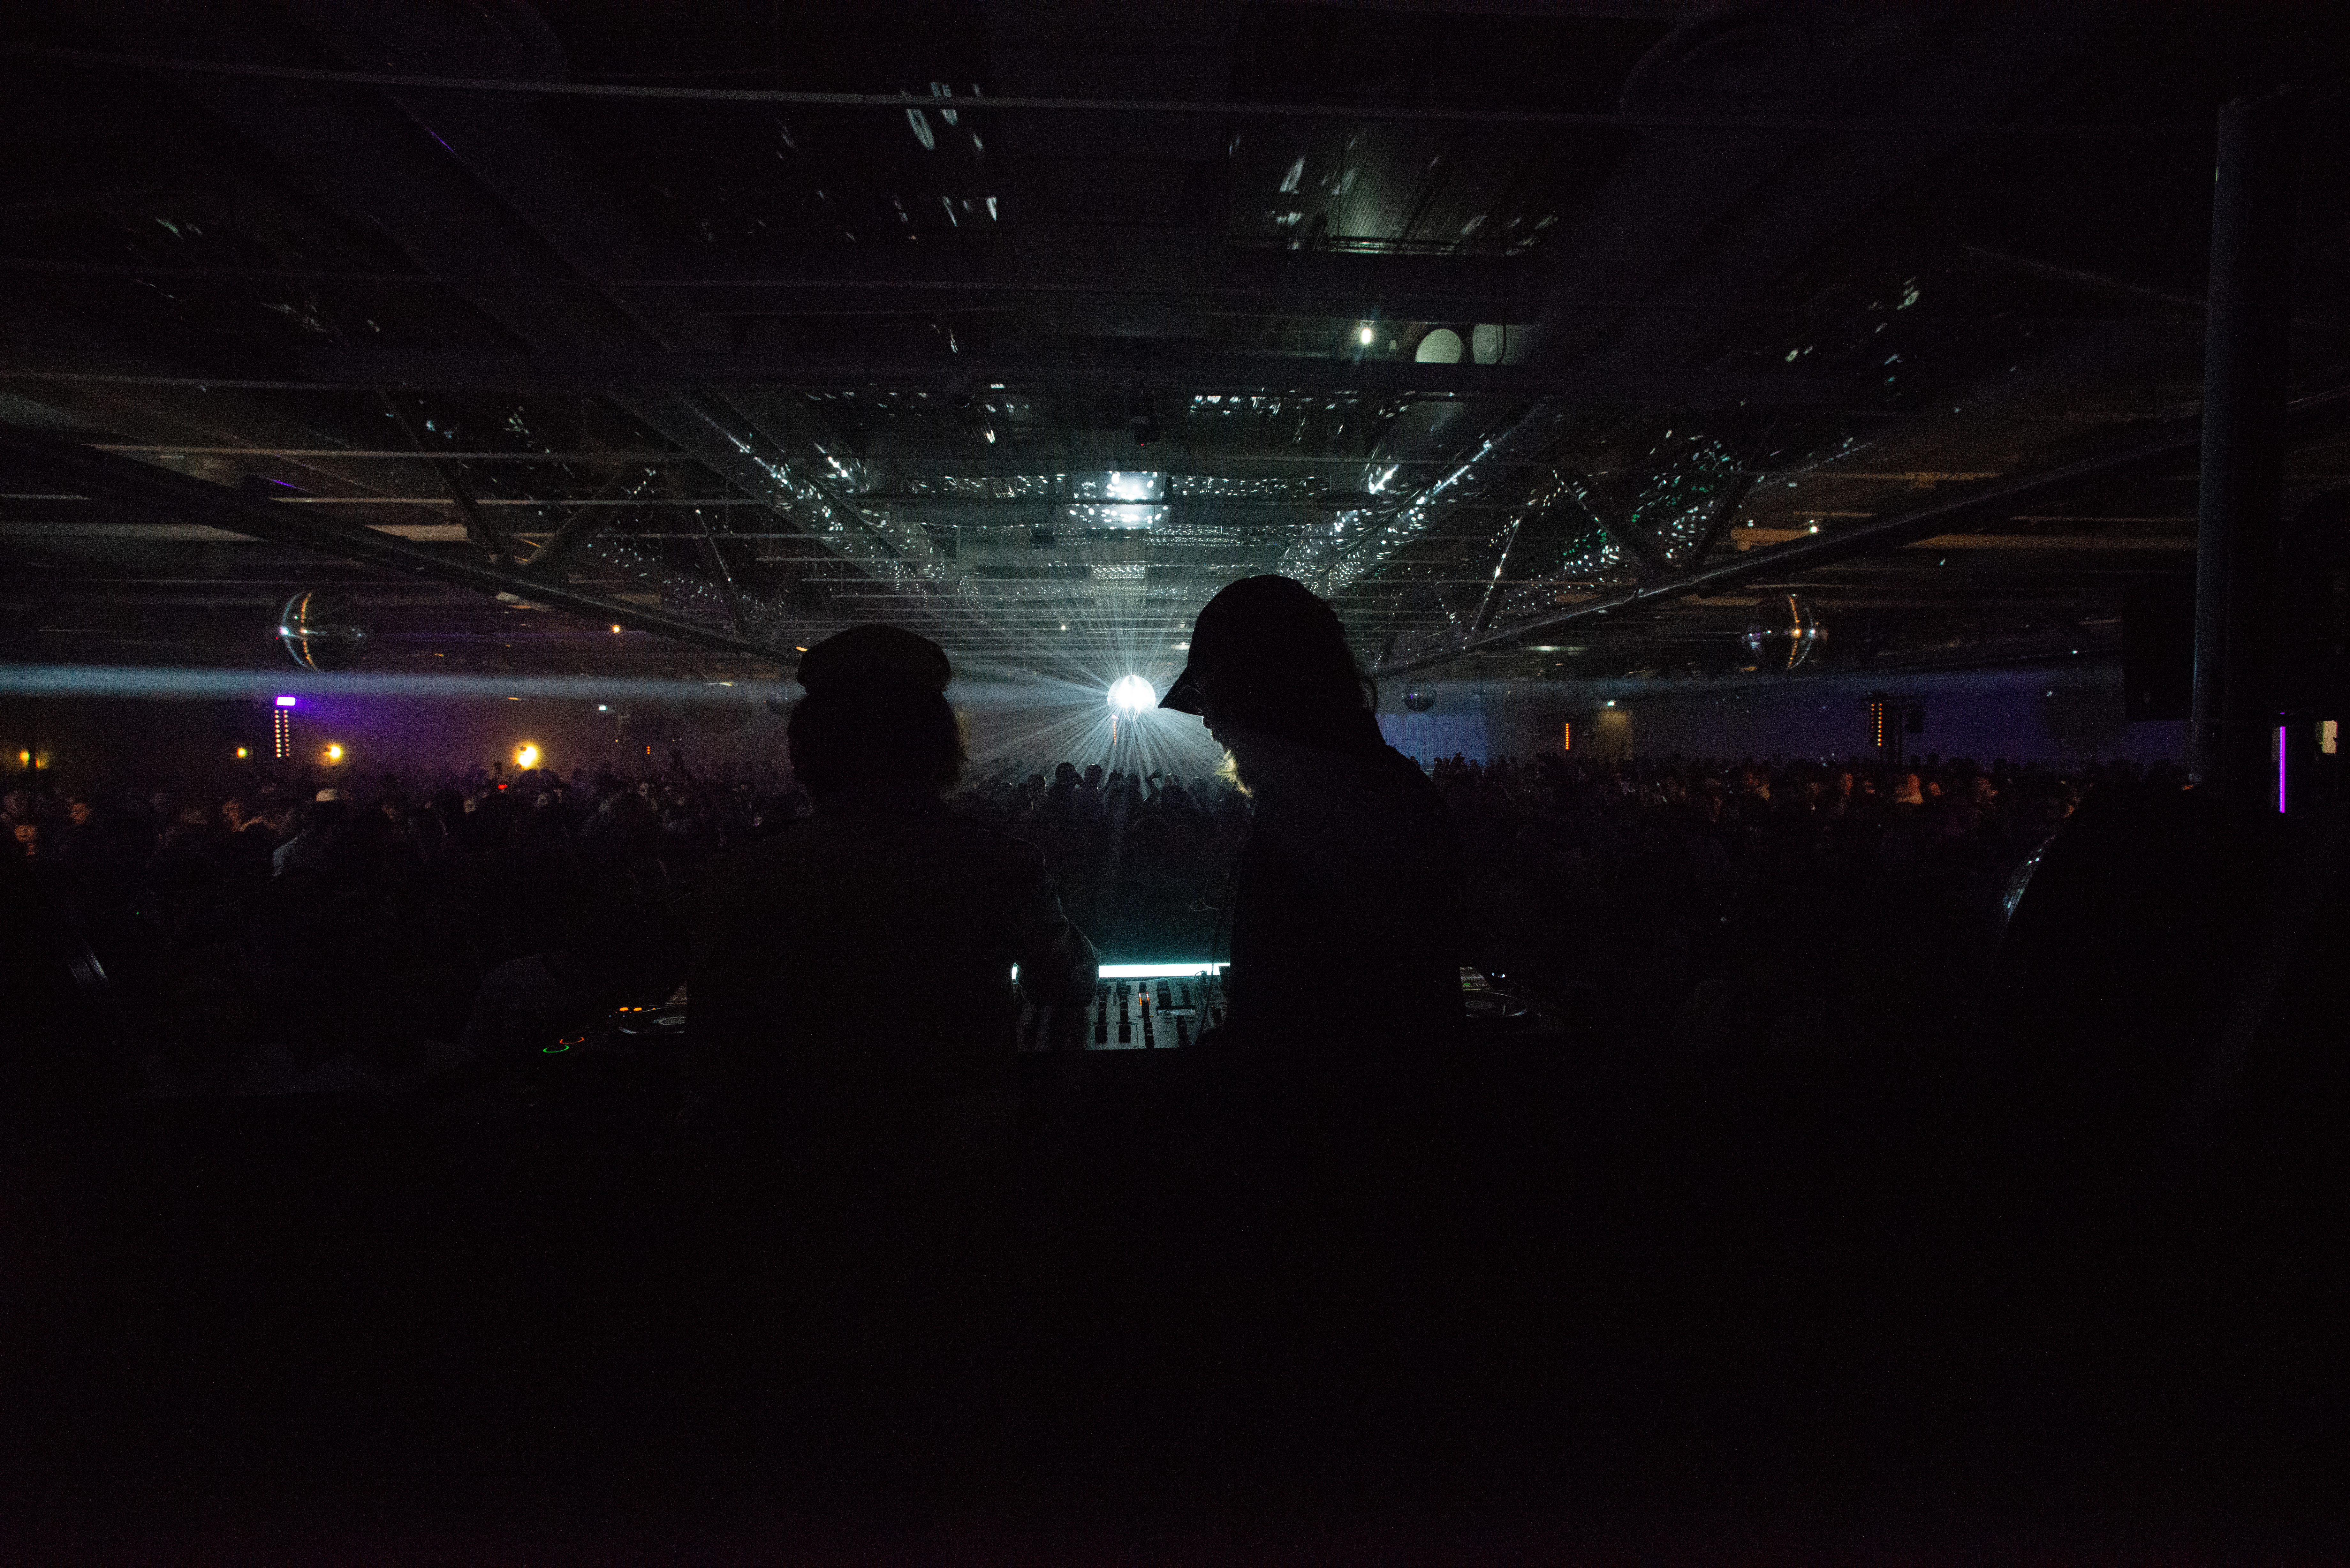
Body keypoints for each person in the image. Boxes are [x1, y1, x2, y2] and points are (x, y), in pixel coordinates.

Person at [688, 625, 1098, 1162]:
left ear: (807, 749)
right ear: (939, 745)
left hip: (793, 1158)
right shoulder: (999, 863)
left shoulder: (745, 873)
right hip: (957, 1152)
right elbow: (1064, 984)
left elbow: (716, 1039)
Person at [1160, 574, 1463, 1060]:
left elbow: (1292, 1042)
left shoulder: (1311, 815)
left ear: (1258, 694)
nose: (1208, 723)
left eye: (1212, 698)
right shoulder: (1389, 787)